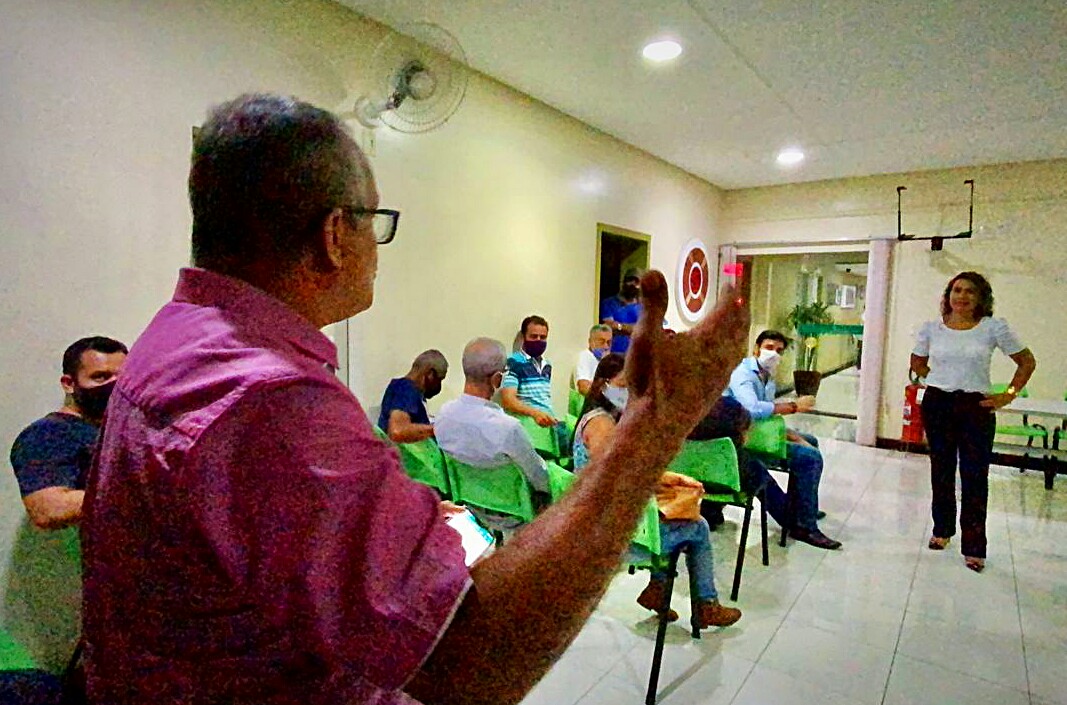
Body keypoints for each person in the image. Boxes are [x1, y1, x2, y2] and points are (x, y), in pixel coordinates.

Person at [80, 93, 750, 705]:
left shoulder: (173, 338)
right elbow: (470, 661)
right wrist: (653, 426)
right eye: (376, 222)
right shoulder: (274, 402)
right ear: (335, 234)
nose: (378, 247)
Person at [573, 353, 742, 629]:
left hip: (605, 519)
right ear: (603, 385)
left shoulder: (604, 418)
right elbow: (615, 476)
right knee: (698, 527)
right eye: (624, 385)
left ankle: (659, 590)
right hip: (611, 534)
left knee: (672, 516)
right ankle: (705, 605)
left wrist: (667, 480)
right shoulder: (601, 424)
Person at [911, 271, 1035, 573]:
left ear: (981, 298)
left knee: (975, 475)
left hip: (975, 407)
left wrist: (1007, 395)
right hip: (938, 404)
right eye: (957, 290)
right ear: (948, 295)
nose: (962, 296)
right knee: (941, 471)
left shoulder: (993, 327)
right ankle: (942, 530)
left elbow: (1026, 361)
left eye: (970, 291)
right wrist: (941, 379)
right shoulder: (932, 328)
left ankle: (974, 547)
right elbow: (917, 362)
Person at [725, 330, 841, 550]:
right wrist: (794, 406)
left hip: (756, 432)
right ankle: (805, 526)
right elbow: (752, 409)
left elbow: (768, 418)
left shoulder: (767, 377)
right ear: (756, 349)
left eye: (779, 351)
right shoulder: (743, 373)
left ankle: (802, 507)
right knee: (809, 457)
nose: (773, 354)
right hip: (742, 440)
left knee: (810, 441)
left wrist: (792, 435)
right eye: (769, 348)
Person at [9, 336, 126, 530]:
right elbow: (48, 509)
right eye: (100, 377)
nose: (114, 386)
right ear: (69, 383)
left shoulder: (116, 429)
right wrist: (142, 493)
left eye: (122, 377)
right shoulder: (48, 433)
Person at [434, 338, 551, 528]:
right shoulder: (508, 428)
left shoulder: (443, 415)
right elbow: (540, 479)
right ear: (497, 379)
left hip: (470, 509)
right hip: (514, 517)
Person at [690, 396, 792, 529]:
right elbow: (745, 427)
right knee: (759, 472)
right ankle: (791, 520)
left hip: (690, 479)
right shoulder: (730, 407)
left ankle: (710, 513)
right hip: (730, 482)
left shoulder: (687, 408)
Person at [377, 349, 448, 443]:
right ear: (430, 374)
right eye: (440, 379)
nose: (439, 386)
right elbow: (397, 431)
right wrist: (437, 429)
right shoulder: (405, 390)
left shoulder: (410, 391)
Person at [500, 315, 556, 428]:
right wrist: (535, 413)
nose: (538, 340)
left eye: (543, 337)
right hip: (527, 426)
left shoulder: (547, 365)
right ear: (523, 337)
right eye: (534, 336)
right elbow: (508, 400)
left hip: (546, 425)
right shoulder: (514, 362)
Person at [600, 268, 642, 354]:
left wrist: (619, 326)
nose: (633, 284)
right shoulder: (609, 303)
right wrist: (631, 328)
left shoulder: (644, 307)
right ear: (623, 282)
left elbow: (644, 330)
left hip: (636, 356)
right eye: (630, 280)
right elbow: (608, 326)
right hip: (613, 355)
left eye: (636, 282)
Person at [574, 324, 612, 395]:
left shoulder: (609, 360)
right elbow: (583, 388)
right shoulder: (585, 357)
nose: (606, 346)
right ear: (590, 342)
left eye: (609, 342)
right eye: (601, 342)